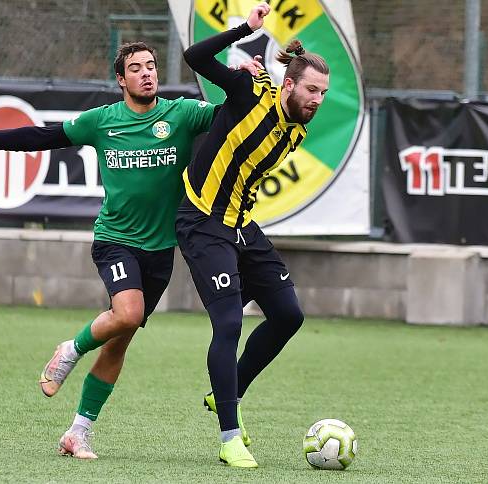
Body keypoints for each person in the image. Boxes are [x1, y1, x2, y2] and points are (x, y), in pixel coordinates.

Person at [0, 43, 261, 460]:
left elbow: (233, 115)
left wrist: (248, 81)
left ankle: (77, 432)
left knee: (118, 342)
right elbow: (43, 136)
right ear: (121, 80)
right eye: (136, 68)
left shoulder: (182, 114)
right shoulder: (103, 122)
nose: (146, 73)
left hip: (162, 250)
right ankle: (70, 348)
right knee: (126, 314)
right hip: (115, 240)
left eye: (151, 66)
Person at [177, 2, 330, 468]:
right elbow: (195, 58)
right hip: (203, 221)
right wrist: (244, 30)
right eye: (310, 90)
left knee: (288, 315)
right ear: (289, 85)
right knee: (228, 323)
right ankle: (229, 435)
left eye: (323, 92)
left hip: (241, 224)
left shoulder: (297, 129)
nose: (317, 99)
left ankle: (227, 391)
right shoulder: (248, 89)